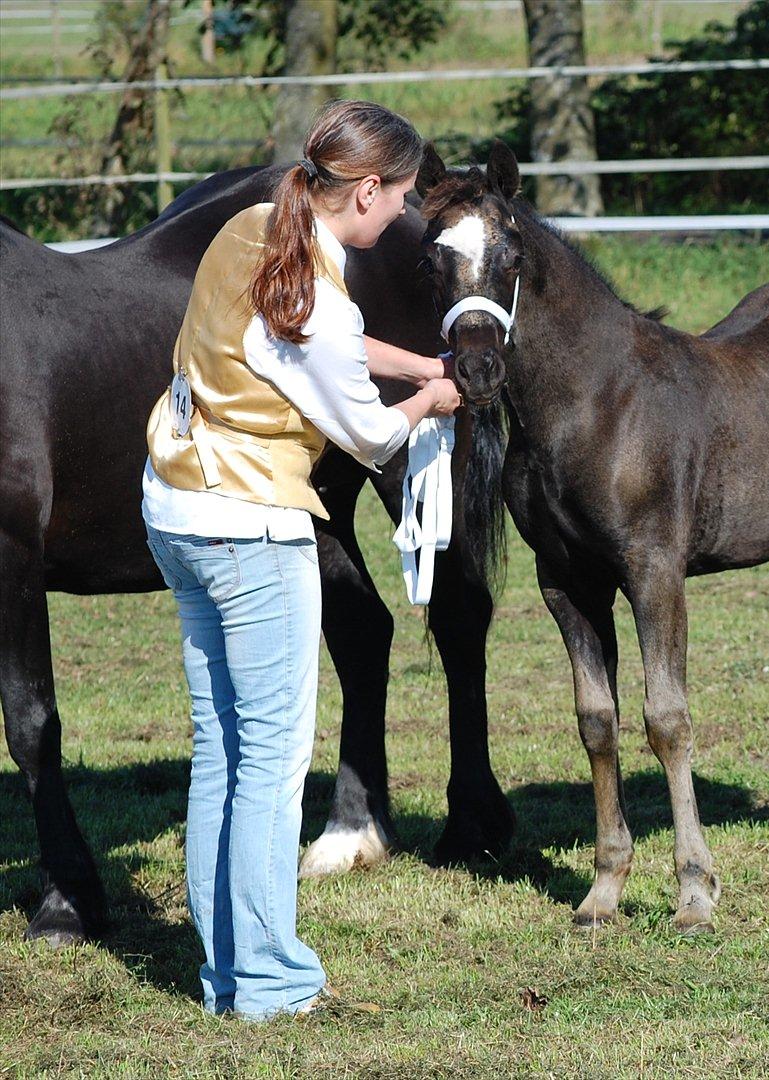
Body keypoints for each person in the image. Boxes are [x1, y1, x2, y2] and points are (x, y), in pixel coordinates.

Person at [141, 99, 459, 1021]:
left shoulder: (252, 227)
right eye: (399, 197)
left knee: (222, 750)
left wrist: (415, 362)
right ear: (365, 190)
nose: (400, 214)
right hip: (252, 525)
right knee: (274, 767)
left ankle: (227, 973)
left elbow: (317, 339)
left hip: (176, 505)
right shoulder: (315, 289)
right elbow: (368, 433)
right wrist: (430, 400)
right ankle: (273, 983)